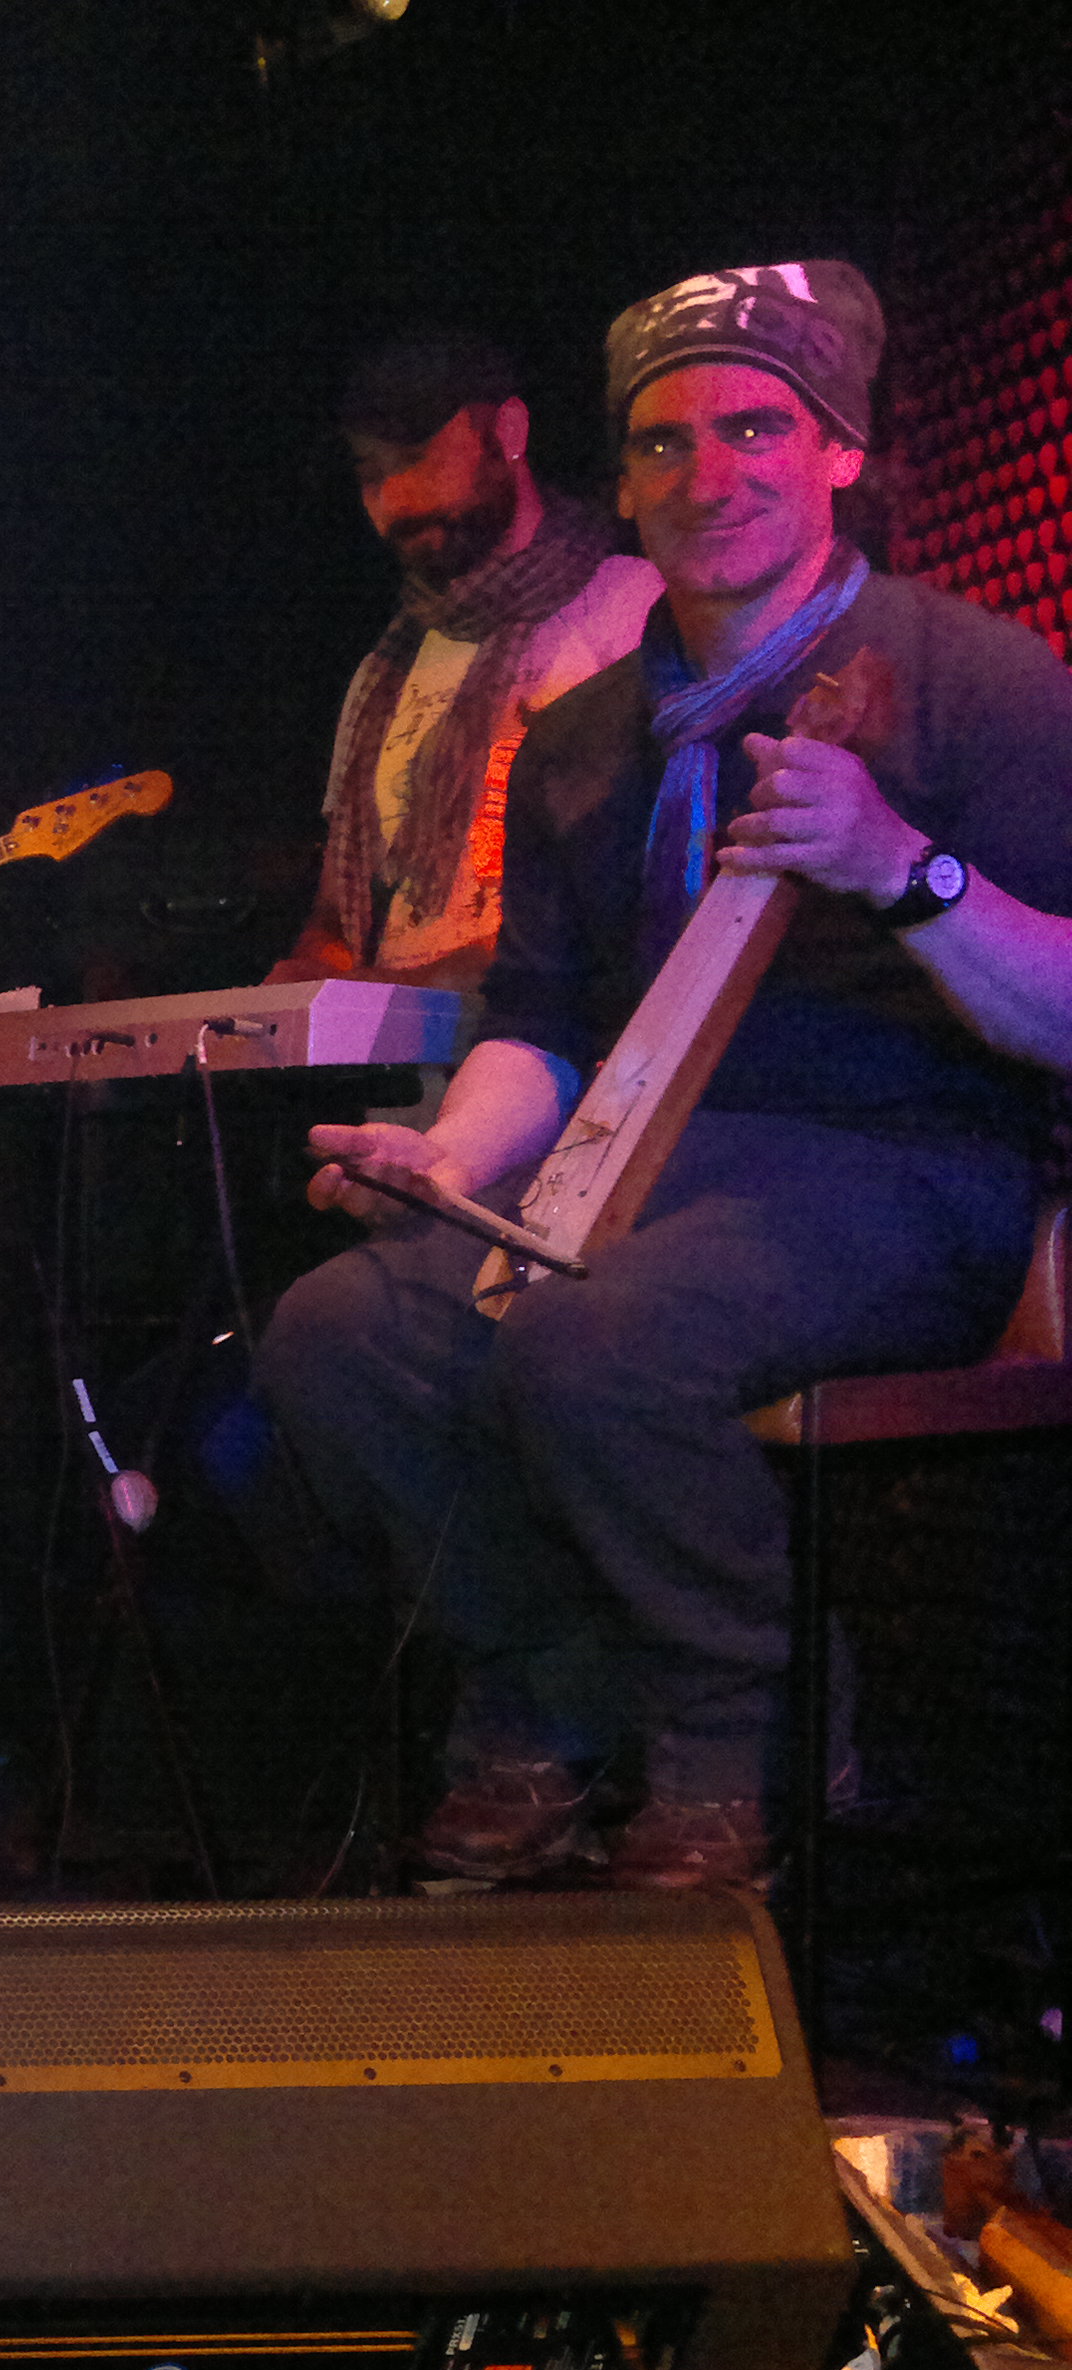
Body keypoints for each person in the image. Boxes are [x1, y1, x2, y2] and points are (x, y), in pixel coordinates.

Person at [260, 260, 1072, 1890]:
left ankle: (735, 1751)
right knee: (341, 1337)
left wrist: (900, 868)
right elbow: (542, 1030)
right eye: (664, 441)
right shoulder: (583, 737)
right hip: (640, 1174)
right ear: (620, 482)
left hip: (911, 1172)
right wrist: (453, 1162)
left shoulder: (983, 680)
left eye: (756, 428)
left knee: (600, 1337)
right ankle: (548, 1691)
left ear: (840, 450)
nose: (710, 475)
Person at [273, 331, 662, 1000]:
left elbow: (631, 889)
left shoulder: (631, 607)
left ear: (508, 432)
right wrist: (309, 978)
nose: (395, 497)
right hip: (404, 1054)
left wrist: (413, 985)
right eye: (370, 474)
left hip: (559, 1041)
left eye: (416, 458)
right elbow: (340, 912)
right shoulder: (384, 670)